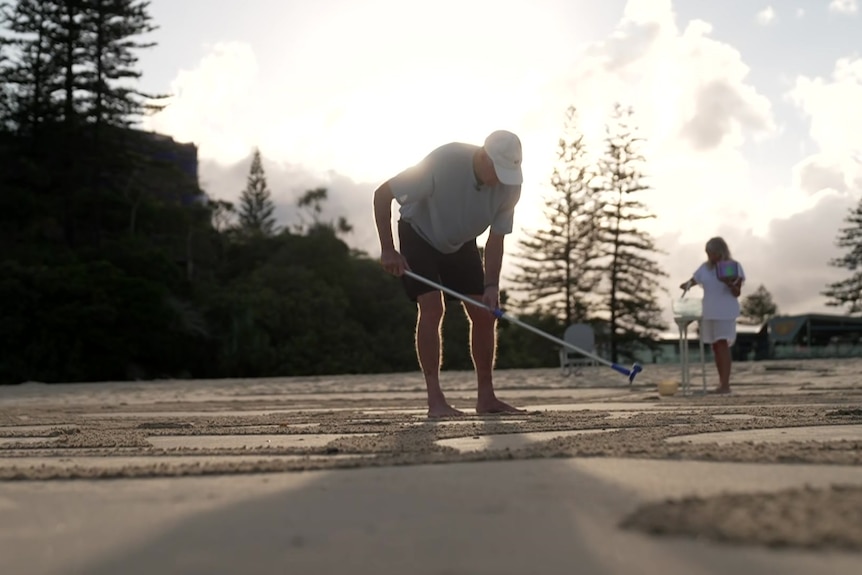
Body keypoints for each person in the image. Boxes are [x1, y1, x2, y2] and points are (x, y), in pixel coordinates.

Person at [372, 130, 525, 417]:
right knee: (432, 308)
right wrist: (388, 249)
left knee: (484, 312)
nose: (500, 181)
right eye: (498, 171)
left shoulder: (510, 186)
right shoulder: (445, 161)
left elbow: (496, 239)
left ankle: (486, 398)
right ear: (483, 157)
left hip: (461, 241)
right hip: (419, 232)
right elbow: (383, 195)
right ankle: (436, 401)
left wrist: (492, 285)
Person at [679, 236, 745, 394]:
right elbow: (694, 279)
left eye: (712, 253)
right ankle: (721, 382)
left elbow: (737, 292)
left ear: (720, 252)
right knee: (715, 346)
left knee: (722, 343)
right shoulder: (705, 268)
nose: (710, 256)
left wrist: (729, 282)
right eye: (708, 253)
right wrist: (686, 285)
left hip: (725, 311)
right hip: (709, 310)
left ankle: (725, 384)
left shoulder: (731, 266)